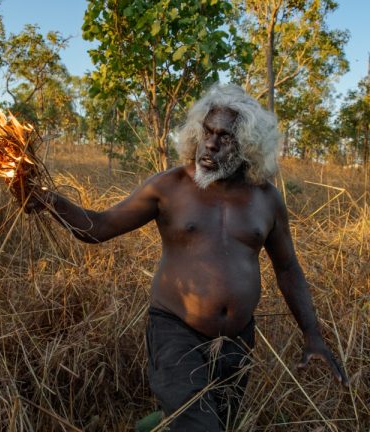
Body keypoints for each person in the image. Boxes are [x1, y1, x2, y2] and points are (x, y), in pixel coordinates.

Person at [22, 84, 347, 431]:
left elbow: (287, 268)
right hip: (176, 331)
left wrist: (312, 334)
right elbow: (98, 228)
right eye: (208, 131)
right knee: (198, 426)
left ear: (249, 146)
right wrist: (47, 199)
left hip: (237, 342)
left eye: (225, 137)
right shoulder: (169, 186)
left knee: (218, 423)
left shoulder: (266, 199)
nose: (210, 143)